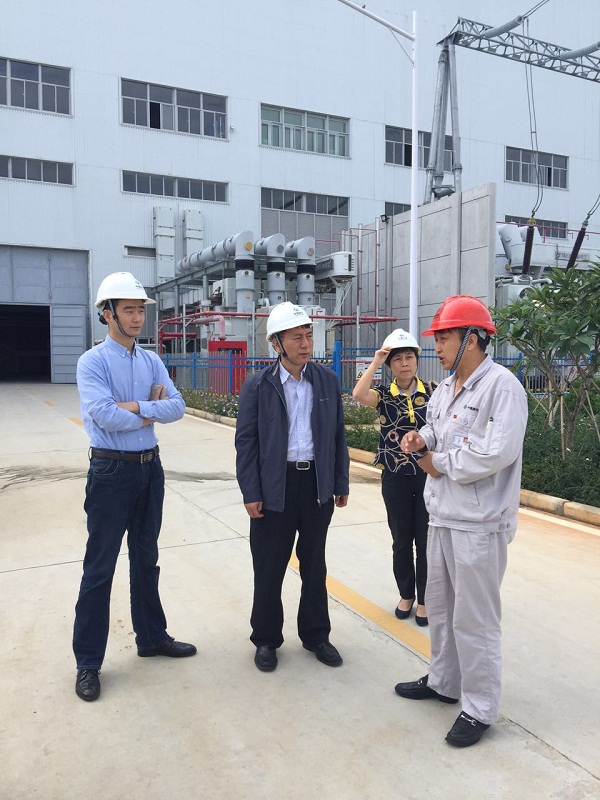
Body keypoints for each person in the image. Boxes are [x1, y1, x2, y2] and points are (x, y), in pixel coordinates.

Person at [394, 295, 527, 748]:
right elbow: (437, 427)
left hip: (479, 523)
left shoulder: (502, 388)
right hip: (443, 516)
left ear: (472, 338)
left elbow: (495, 453)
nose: (436, 348)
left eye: (444, 338)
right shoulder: (448, 386)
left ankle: (480, 708)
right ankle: (444, 682)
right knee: (443, 609)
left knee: (475, 620)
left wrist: (439, 462)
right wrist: (421, 438)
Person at [73, 272, 196, 702]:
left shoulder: (151, 360)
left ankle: (152, 637)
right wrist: (150, 410)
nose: (138, 317)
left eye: (140, 309)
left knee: (146, 559)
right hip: (110, 472)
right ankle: (88, 662)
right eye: (129, 310)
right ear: (107, 314)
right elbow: (105, 416)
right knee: (99, 568)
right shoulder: (92, 362)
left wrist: (137, 407)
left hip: (149, 470)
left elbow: (178, 406)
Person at [235, 301, 350, 672]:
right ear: (277, 344)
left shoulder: (326, 381)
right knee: (269, 567)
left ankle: (316, 636)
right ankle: (266, 639)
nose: (305, 344)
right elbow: (246, 443)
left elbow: (337, 436)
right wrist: (251, 492)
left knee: (315, 566)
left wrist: (339, 481)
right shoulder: (258, 385)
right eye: (296, 337)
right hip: (275, 487)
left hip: (316, 485)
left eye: (308, 336)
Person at [352, 329, 436, 626]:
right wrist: (376, 360)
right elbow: (358, 395)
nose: (404, 363)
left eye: (409, 357)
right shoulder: (384, 395)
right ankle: (406, 595)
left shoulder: (434, 391)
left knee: (426, 541)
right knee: (401, 540)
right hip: (395, 476)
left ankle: (425, 599)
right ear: (390, 365)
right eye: (398, 359)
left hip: (428, 476)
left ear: (417, 360)